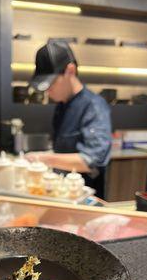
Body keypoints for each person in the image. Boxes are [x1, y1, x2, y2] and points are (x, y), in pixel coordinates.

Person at [27, 40, 112, 198]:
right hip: (61, 194)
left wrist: (43, 158)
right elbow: (63, 151)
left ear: (70, 71)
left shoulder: (93, 106)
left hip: (84, 199)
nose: (48, 91)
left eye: (51, 83)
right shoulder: (62, 105)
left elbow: (91, 160)